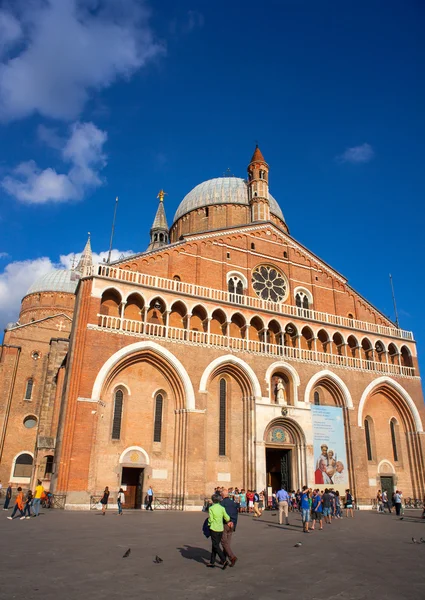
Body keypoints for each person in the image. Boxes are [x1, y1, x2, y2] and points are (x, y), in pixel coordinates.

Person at [207, 493, 232, 569]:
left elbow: (211, 519)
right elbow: (227, 518)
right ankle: (212, 562)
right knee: (215, 545)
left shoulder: (211, 508)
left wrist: (208, 523)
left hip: (214, 528)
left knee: (215, 545)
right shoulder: (222, 508)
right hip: (220, 528)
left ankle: (224, 560)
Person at [220, 489, 238, 567]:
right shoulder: (233, 502)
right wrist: (233, 523)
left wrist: (228, 521)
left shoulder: (222, 503)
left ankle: (232, 557)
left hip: (225, 524)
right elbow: (236, 513)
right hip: (232, 524)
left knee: (224, 542)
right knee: (227, 542)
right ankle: (223, 559)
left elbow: (222, 515)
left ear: (222, 495)